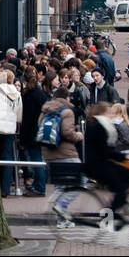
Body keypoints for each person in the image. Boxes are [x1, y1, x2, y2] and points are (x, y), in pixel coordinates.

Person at [84, 102, 129, 223]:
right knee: (120, 188)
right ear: (102, 113)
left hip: (102, 162)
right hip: (96, 165)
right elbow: (104, 151)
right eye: (109, 112)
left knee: (128, 174)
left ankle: (121, 202)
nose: (111, 115)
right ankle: (108, 215)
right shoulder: (98, 127)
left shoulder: (103, 125)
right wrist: (125, 157)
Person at [41, 87, 84, 220]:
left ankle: (60, 220)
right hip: (66, 154)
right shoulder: (67, 111)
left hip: (48, 153)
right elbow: (67, 133)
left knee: (60, 186)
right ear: (67, 98)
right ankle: (60, 204)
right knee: (81, 182)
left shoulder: (45, 111)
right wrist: (78, 135)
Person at [18, 68, 49, 196]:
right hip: (39, 130)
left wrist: (23, 138)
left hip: (31, 133)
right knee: (37, 159)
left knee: (35, 160)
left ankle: (40, 187)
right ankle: (39, 184)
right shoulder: (40, 94)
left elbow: (27, 119)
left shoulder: (28, 95)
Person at [0, 68, 22, 196]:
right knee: (7, 158)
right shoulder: (17, 94)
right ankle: (5, 188)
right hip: (10, 129)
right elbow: (19, 114)